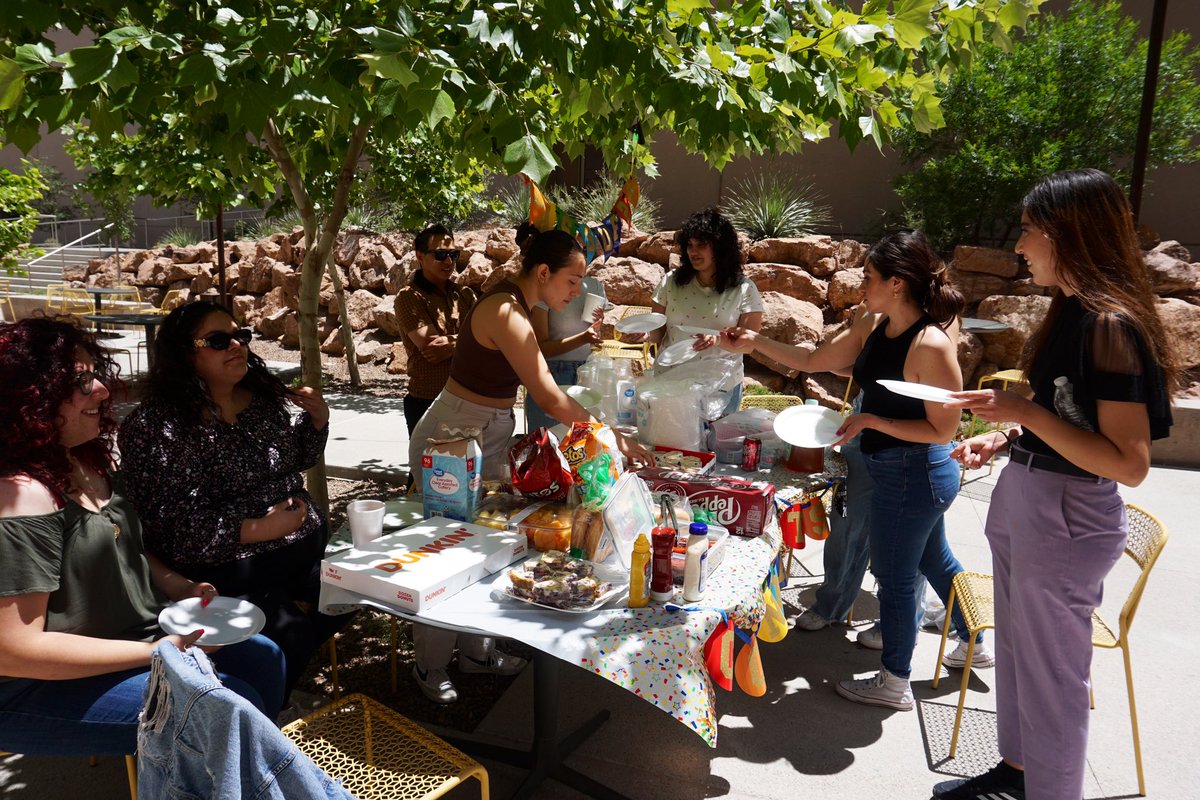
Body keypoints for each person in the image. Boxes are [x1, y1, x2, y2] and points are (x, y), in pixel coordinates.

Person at [937, 169, 1175, 800]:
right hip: (1032, 502)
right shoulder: (1071, 314)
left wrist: (1026, 415)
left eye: (1031, 229)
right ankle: (1016, 775)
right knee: (1018, 658)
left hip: (1066, 520)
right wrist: (1009, 435)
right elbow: (1067, 419)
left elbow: (1127, 462)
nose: (1020, 245)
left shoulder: (1110, 326)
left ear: (1069, 233)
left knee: (1053, 679)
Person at [720, 229, 988, 712]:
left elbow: (945, 431)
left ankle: (894, 681)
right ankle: (977, 640)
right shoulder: (873, 322)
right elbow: (811, 360)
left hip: (917, 474)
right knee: (935, 562)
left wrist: (870, 419)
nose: (860, 285)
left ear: (898, 283)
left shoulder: (930, 344)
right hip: (898, 470)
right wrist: (752, 341)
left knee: (897, 576)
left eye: (868, 277)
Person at [0, 317, 286, 756]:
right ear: (29, 398)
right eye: (79, 381)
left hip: (129, 639)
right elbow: (16, 651)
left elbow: (121, 547)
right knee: (226, 709)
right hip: (32, 686)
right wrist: (157, 651)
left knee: (263, 656)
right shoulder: (22, 497)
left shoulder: (88, 462)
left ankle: (240, 769)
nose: (101, 391)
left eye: (94, 375)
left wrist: (177, 585)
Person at [406, 228, 655, 703]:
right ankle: (430, 662)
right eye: (573, 279)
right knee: (450, 548)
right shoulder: (505, 310)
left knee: (490, 542)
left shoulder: (522, 306)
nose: (577, 290)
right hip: (453, 434)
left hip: (489, 428)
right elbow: (546, 394)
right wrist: (611, 433)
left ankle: (477, 651)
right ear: (543, 273)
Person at [119, 302, 352, 700]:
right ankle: (263, 715)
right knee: (289, 637)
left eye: (240, 336)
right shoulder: (157, 428)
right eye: (217, 340)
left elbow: (295, 459)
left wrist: (317, 422)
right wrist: (260, 529)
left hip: (299, 555)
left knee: (361, 592)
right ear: (183, 353)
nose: (236, 345)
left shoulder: (260, 403)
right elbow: (173, 528)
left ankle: (269, 684)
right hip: (226, 570)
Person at [646, 208, 763, 414]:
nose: (693, 252)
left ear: (720, 248)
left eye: (701, 245)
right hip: (671, 382)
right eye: (689, 245)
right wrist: (643, 336)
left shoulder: (744, 289)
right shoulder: (671, 282)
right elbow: (658, 332)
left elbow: (748, 345)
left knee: (712, 446)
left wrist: (717, 340)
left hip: (720, 388)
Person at [518, 220, 607, 430]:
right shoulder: (532, 297)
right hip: (554, 372)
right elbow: (541, 348)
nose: (576, 292)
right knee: (548, 444)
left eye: (586, 246)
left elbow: (596, 334)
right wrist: (583, 337)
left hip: (586, 370)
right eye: (572, 282)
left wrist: (595, 328)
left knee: (578, 450)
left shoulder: (594, 285)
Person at [395, 224, 476, 433]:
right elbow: (432, 348)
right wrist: (472, 340)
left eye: (453, 254)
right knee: (427, 465)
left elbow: (490, 338)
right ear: (420, 256)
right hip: (427, 402)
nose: (449, 261)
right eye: (440, 254)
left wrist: (452, 343)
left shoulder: (465, 294)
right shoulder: (409, 297)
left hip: (469, 400)